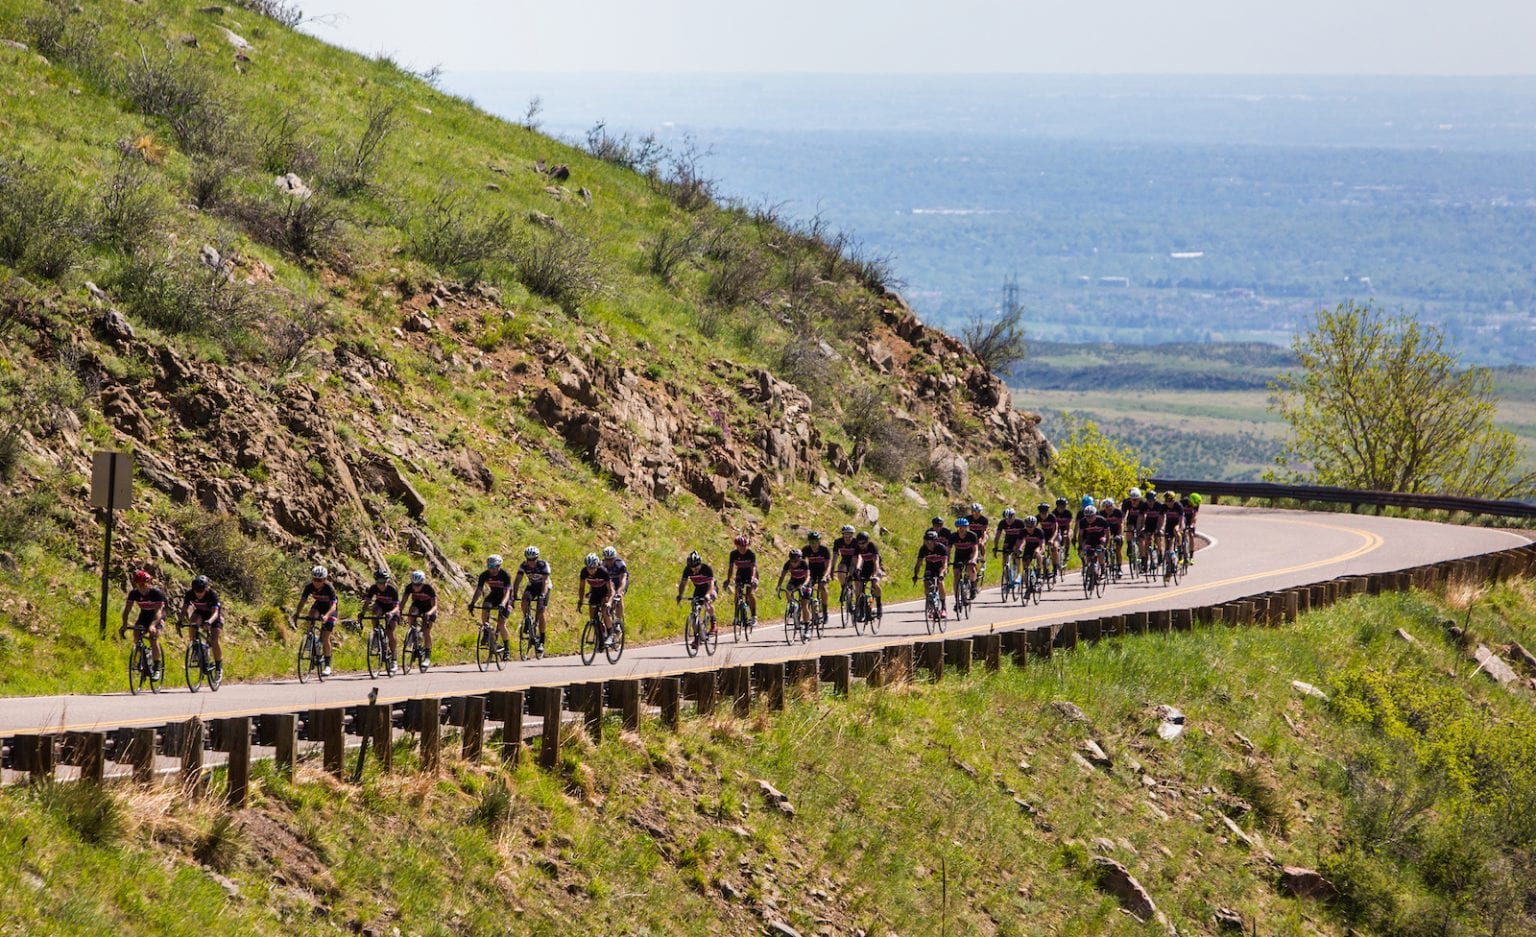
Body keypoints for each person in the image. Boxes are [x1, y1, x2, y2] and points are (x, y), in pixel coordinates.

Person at [120, 569, 166, 681]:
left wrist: (153, 625)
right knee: (136, 635)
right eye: (139, 584)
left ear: (149, 582)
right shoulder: (134, 593)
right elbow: (127, 610)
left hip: (157, 615)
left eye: (144, 584)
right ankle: (143, 657)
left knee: (153, 638)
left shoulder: (156, 593)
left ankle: (157, 668)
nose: (142, 587)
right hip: (144, 614)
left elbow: (159, 612)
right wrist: (124, 624)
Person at [294, 565, 339, 677]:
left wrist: (326, 616)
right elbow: (302, 601)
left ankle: (328, 666)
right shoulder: (309, 587)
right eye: (314, 579)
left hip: (330, 610)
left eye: (319, 580)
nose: (316, 582)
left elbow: (333, 606)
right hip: (319, 606)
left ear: (324, 580)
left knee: (325, 637)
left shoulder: (329, 588)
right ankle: (310, 636)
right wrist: (297, 614)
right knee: (311, 614)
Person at [468, 554, 513, 661]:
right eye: (489, 567)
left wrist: (503, 604)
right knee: (485, 605)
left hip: (506, 598)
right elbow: (479, 590)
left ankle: (507, 649)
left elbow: (507, 592)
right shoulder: (484, 575)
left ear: (499, 566)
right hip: (494, 595)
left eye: (493, 567)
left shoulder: (505, 575)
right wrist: (472, 603)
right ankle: (486, 631)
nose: (491, 570)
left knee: (501, 623)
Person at [178, 574, 223, 678]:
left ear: (206, 588)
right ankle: (195, 648)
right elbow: (184, 608)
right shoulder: (189, 594)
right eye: (196, 591)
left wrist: (209, 622)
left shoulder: (212, 594)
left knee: (214, 640)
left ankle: (218, 667)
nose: (198, 594)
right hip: (201, 613)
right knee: (192, 623)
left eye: (201, 591)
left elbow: (216, 613)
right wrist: (180, 620)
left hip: (214, 615)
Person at [512, 546, 552, 655]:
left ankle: (542, 641)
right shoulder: (523, 565)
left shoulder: (543, 565)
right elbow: (517, 581)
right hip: (532, 586)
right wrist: (514, 594)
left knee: (541, 611)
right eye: (528, 559)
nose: (531, 562)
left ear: (537, 558)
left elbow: (545, 582)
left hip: (544, 587)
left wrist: (543, 595)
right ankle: (527, 619)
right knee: (524, 600)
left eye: (533, 559)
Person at [675, 551, 717, 648]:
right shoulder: (687, 570)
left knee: (708, 603)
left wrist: (707, 595)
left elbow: (711, 584)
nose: (694, 570)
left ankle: (713, 622)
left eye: (696, 568)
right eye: (692, 568)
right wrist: (680, 595)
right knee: (694, 611)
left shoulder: (706, 569)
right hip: (698, 589)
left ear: (700, 564)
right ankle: (697, 638)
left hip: (709, 588)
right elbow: (683, 583)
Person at [363, 568, 402, 675]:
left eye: (384, 582)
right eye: (379, 582)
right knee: (374, 613)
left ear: (387, 581)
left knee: (390, 632)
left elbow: (397, 606)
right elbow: (367, 602)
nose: (381, 585)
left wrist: (391, 613)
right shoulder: (373, 588)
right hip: (381, 606)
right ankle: (376, 634)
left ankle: (394, 659)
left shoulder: (392, 590)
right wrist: (362, 613)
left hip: (392, 609)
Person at [576, 553, 616, 648]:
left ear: (597, 566)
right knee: (592, 617)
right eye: (589, 568)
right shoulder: (584, 572)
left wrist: (609, 602)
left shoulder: (603, 572)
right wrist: (580, 601)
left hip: (606, 591)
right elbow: (581, 588)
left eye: (593, 568)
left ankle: (610, 634)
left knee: (604, 610)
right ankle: (601, 636)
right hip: (595, 591)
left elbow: (611, 590)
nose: (591, 570)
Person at [403, 569, 438, 669]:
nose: (416, 587)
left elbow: (435, 606)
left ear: (422, 582)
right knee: (411, 613)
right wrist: (399, 611)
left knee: (427, 630)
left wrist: (429, 613)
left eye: (418, 585)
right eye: (414, 584)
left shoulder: (428, 589)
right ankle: (412, 632)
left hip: (430, 608)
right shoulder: (409, 587)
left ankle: (427, 656)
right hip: (418, 605)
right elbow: (403, 602)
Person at [775, 547, 815, 631]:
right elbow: (782, 576)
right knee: (787, 590)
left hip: (805, 582)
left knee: (804, 605)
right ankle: (792, 606)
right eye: (792, 561)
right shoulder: (788, 564)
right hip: (794, 580)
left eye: (796, 561)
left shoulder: (804, 563)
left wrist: (804, 585)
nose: (794, 563)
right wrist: (778, 586)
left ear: (800, 559)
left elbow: (808, 576)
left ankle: (807, 626)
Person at [911, 529, 950, 615]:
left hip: (941, 568)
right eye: (926, 541)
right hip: (930, 568)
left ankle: (943, 607)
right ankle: (930, 603)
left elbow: (945, 564)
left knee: (940, 582)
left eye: (930, 541)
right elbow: (918, 564)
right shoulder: (923, 549)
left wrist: (942, 573)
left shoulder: (941, 548)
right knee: (926, 583)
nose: (928, 543)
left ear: (935, 541)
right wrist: (915, 575)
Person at [725, 534, 759, 625]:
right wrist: (728, 579)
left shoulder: (751, 554)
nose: (743, 548)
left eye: (745, 546)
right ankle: (736, 617)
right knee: (737, 593)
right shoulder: (733, 554)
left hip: (751, 573)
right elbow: (731, 568)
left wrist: (752, 578)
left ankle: (754, 617)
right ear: (737, 546)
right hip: (740, 573)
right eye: (741, 547)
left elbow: (754, 568)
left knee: (750, 593)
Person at [802, 531, 833, 625]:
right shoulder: (806, 549)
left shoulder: (824, 550)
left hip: (823, 572)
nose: (813, 544)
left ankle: (825, 611)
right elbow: (801, 564)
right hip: (811, 572)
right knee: (806, 589)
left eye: (815, 542)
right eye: (811, 542)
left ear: (819, 542)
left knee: (823, 587)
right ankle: (808, 612)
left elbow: (828, 566)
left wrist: (825, 576)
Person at [853, 531, 884, 619]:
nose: (861, 545)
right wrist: (857, 570)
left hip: (876, 566)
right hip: (866, 567)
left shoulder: (872, 546)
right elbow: (857, 559)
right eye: (859, 543)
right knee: (860, 587)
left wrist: (875, 574)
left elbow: (876, 561)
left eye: (863, 543)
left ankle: (878, 605)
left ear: (867, 541)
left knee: (875, 584)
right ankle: (862, 610)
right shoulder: (857, 548)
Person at [832, 524, 860, 618]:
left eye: (850, 535)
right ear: (842, 535)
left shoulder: (856, 542)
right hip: (844, 560)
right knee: (840, 569)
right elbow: (835, 555)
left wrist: (857, 567)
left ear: (853, 535)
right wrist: (832, 568)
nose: (847, 537)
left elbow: (858, 557)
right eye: (845, 535)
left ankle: (858, 603)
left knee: (856, 579)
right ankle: (844, 587)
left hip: (854, 560)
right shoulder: (838, 542)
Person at [950, 517, 980, 602]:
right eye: (959, 527)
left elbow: (975, 550)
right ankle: (956, 598)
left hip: (970, 555)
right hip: (959, 556)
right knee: (956, 575)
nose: (962, 529)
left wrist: (973, 559)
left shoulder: (972, 535)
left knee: (971, 569)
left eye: (964, 527)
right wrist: (947, 561)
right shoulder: (953, 536)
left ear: (967, 527)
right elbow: (948, 550)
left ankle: (973, 586)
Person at [994, 507, 1026, 585]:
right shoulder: (1002, 523)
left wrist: (1021, 547)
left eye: (1010, 518)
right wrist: (996, 547)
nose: (1008, 520)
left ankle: (1018, 574)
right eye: (1006, 518)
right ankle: (1007, 577)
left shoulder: (1020, 523)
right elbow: (997, 536)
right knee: (1004, 554)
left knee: (1016, 553)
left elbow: (1025, 537)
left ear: (1014, 516)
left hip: (1019, 539)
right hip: (1008, 540)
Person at [600, 546, 629, 624]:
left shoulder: (620, 564)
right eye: (607, 559)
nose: (609, 561)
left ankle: (619, 622)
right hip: (610, 583)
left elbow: (623, 580)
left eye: (611, 559)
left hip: (620, 582)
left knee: (619, 597)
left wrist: (619, 592)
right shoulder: (602, 565)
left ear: (615, 558)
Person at [1098, 498, 1125, 574]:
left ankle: (1119, 568)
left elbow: (1120, 525)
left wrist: (1120, 535)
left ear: (1113, 506)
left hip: (1116, 531)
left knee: (1118, 550)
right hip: (1106, 532)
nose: (1108, 508)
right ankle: (1105, 562)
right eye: (1106, 507)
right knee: (1103, 547)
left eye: (1110, 506)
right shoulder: (1101, 514)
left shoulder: (1118, 512)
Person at [966, 502, 990, 584]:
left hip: (981, 535)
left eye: (978, 512)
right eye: (974, 512)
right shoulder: (968, 518)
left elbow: (984, 532)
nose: (976, 514)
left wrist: (982, 541)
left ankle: (983, 560)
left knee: (981, 544)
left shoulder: (983, 520)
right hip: (972, 536)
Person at [1034, 504, 1060, 578]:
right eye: (1042, 513)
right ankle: (1039, 567)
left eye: (1045, 513)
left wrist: (1052, 539)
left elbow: (1056, 530)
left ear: (1047, 511)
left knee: (1054, 548)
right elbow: (1034, 529)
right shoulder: (1037, 517)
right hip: (1044, 535)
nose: (1043, 515)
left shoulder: (1052, 517)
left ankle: (1055, 569)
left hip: (1054, 535)